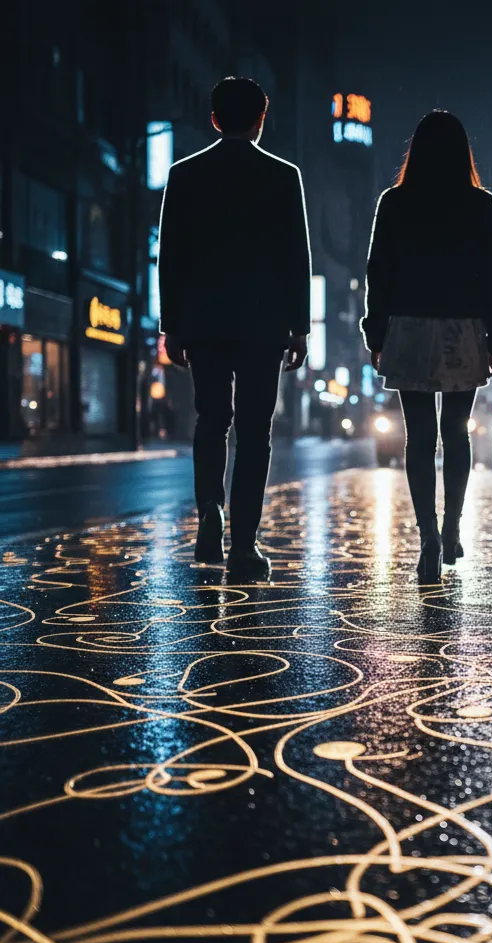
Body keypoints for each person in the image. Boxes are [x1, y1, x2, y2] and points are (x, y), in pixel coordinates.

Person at [158, 76, 311, 579]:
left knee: (210, 420)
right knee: (254, 431)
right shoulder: (283, 176)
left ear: (214, 118)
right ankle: (244, 543)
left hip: (204, 320)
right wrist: (299, 327)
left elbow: (171, 257)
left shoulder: (185, 174)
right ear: (261, 119)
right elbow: (296, 257)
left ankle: (209, 509)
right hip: (263, 323)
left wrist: (172, 325)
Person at [361, 110, 492, 584]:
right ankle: (451, 528)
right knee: (457, 432)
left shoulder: (395, 201)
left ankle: (426, 535)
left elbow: (378, 270)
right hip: (462, 328)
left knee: (419, 437)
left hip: (407, 325)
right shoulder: (481, 204)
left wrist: (376, 329)